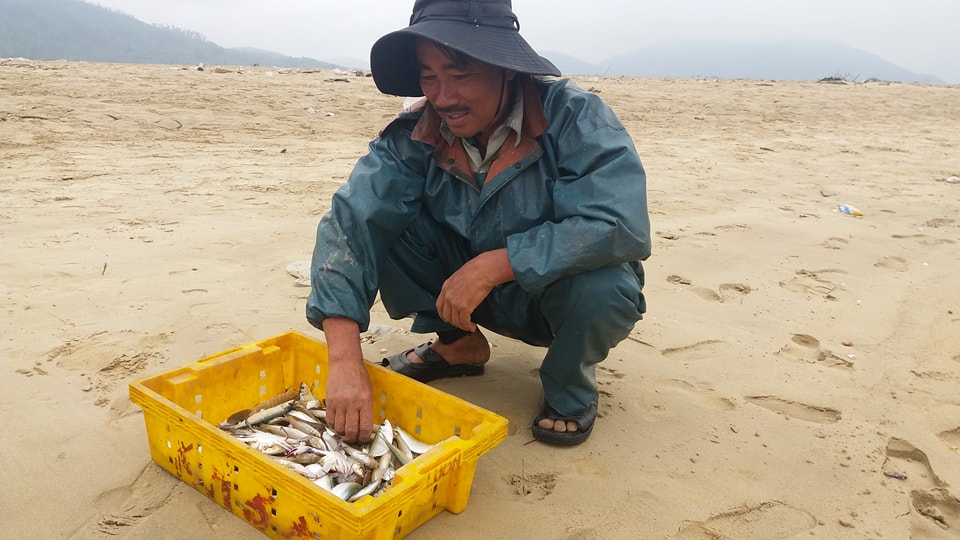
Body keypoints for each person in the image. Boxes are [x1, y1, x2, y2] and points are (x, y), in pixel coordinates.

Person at [306, 0, 650, 446]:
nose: (443, 97)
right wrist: (344, 361)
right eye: (428, 77)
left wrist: (495, 265)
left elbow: (619, 225)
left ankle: (570, 384)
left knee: (607, 286)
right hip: (460, 297)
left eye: (461, 74)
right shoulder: (414, 132)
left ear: (506, 68)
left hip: (551, 299)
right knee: (385, 222)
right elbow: (352, 223)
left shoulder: (577, 117)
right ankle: (459, 344)